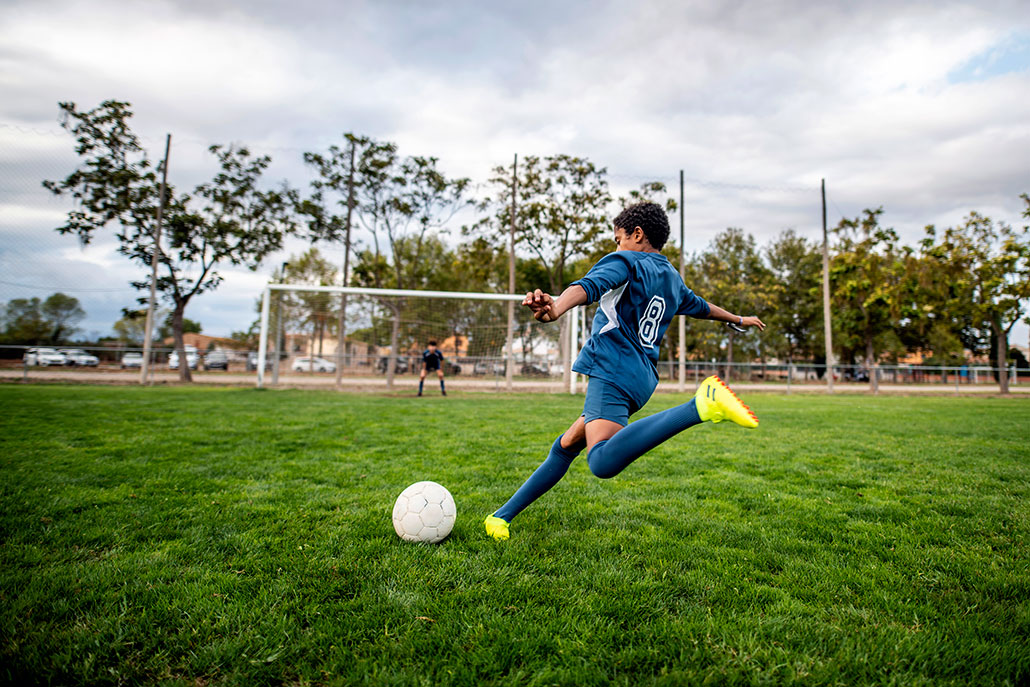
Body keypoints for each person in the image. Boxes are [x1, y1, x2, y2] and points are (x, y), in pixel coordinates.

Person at [484, 202, 765, 541]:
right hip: (641, 379)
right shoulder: (671, 278)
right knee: (567, 445)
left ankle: (700, 406)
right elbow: (702, 307)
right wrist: (738, 319)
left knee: (601, 461)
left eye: (618, 239)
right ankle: (501, 517)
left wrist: (556, 307)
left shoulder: (626, 261)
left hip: (613, 368)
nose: (615, 247)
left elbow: (589, 285)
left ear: (637, 234)